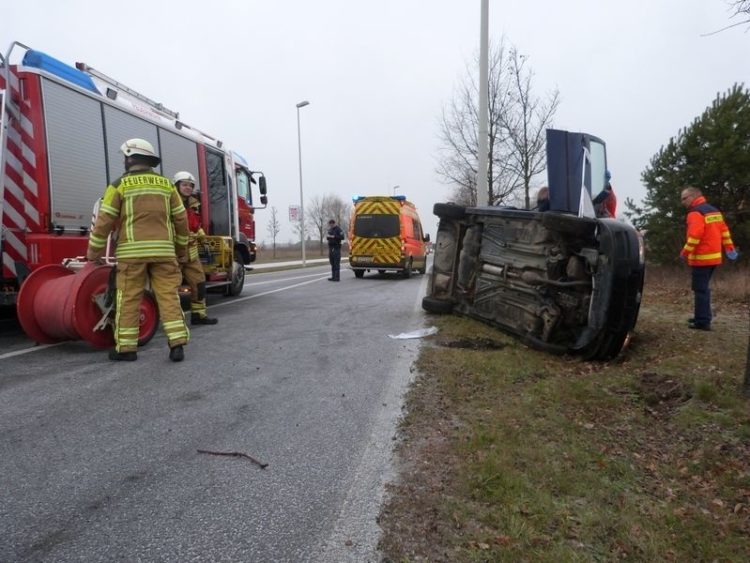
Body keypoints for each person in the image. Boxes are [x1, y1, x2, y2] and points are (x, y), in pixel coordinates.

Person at [87, 138, 190, 362]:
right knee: (169, 297)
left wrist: (93, 254)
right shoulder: (166, 186)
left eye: (125, 156)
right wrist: (181, 250)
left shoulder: (119, 185)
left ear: (131, 158)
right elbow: (181, 220)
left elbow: (104, 222)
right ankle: (177, 345)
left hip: (131, 255)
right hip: (164, 253)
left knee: (129, 298)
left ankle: (126, 349)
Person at [679, 186, 738, 331]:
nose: (682, 202)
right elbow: (724, 232)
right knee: (703, 288)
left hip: (701, 258)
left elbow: (695, 236)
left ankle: (703, 321)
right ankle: (702, 315)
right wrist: (730, 249)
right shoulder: (714, 211)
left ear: (693, 197)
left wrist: (684, 253)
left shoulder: (695, 213)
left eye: (684, 198)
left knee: (700, 289)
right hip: (714, 258)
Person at [173, 171, 218, 326]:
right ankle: (173, 321)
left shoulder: (192, 205)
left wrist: (203, 238)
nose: (188, 188)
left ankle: (199, 315)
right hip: (175, 253)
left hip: (191, 255)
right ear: (177, 185)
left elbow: (194, 225)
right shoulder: (170, 202)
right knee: (171, 288)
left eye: (190, 185)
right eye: (184, 185)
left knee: (199, 284)